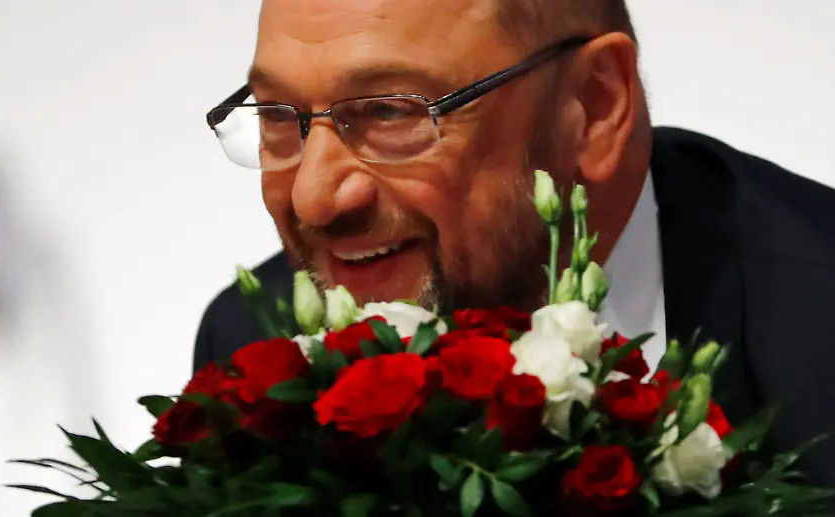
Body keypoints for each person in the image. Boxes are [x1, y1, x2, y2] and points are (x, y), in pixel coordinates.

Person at [194, 0, 835, 488]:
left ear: (594, 105)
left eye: (390, 111)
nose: (312, 198)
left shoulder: (818, 325)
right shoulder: (249, 346)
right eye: (277, 115)